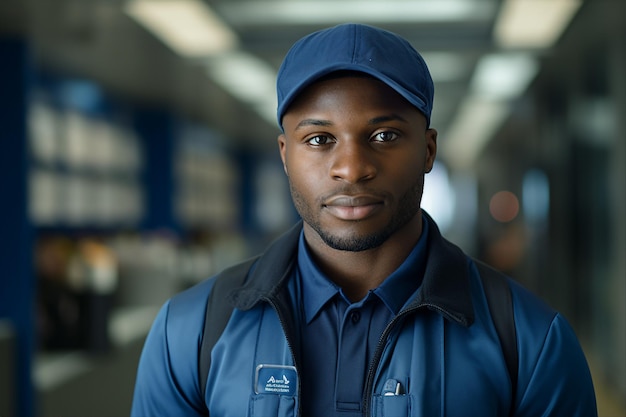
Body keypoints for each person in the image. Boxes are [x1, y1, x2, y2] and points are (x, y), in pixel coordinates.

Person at [131, 23, 597, 417]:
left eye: (384, 134)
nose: (352, 168)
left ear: (428, 150)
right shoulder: (189, 333)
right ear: (285, 155)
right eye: (318, 139)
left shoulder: (532, 344)